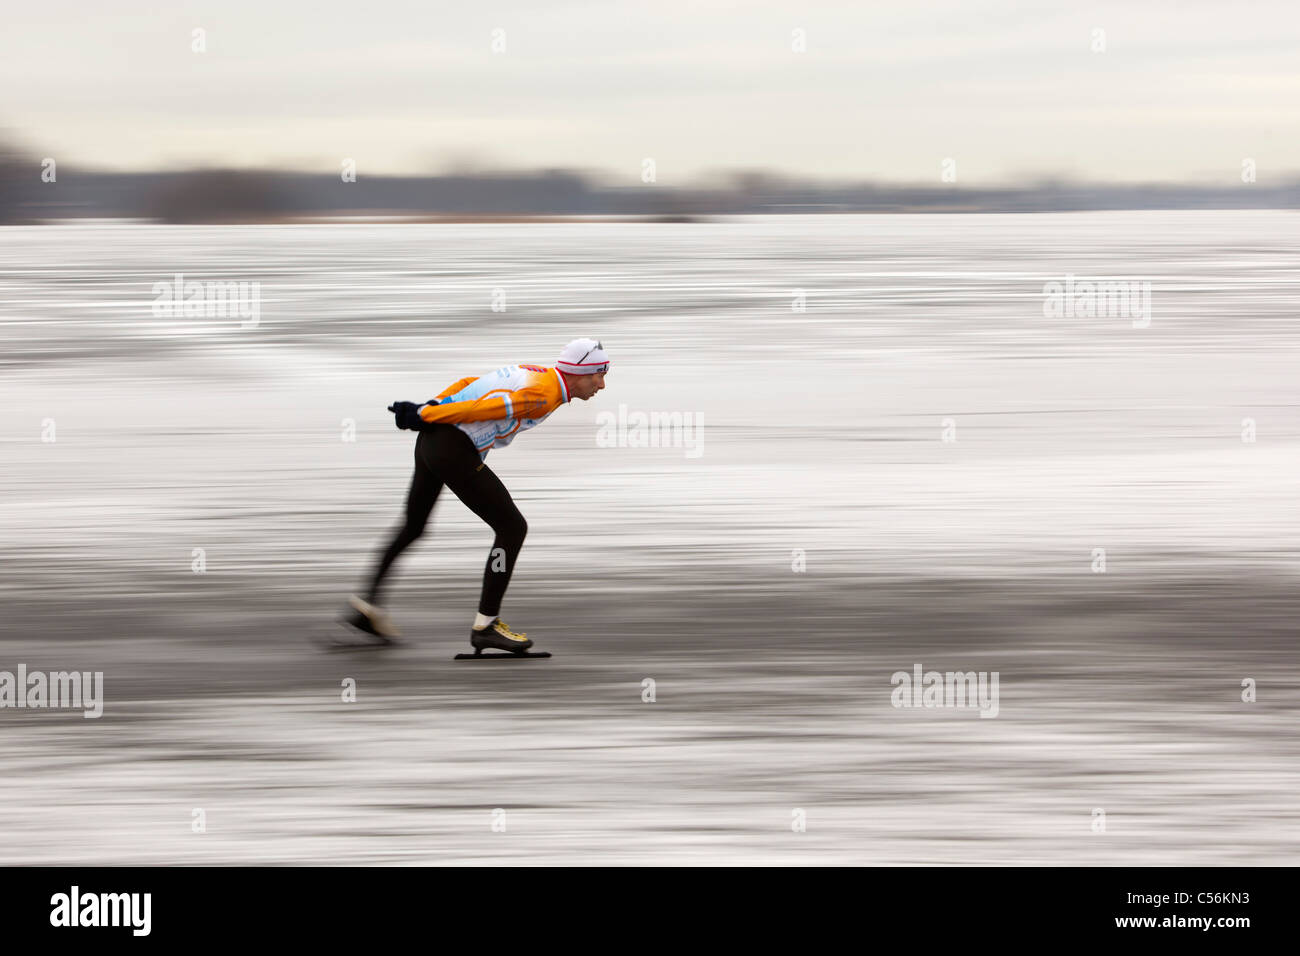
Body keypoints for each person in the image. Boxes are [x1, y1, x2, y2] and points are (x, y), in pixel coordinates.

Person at [342, 338, 610, 653]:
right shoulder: (544, 394)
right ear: (579, 372)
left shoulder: (539, 372)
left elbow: (470, 383)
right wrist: (426, 413)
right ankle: (486, 625)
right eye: (598, 374)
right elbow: (482, 408)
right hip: (452, 449)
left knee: (413, 526)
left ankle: (366, 607)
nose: (601, 385)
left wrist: (430, 407)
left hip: (432, 443)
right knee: (512, 528)